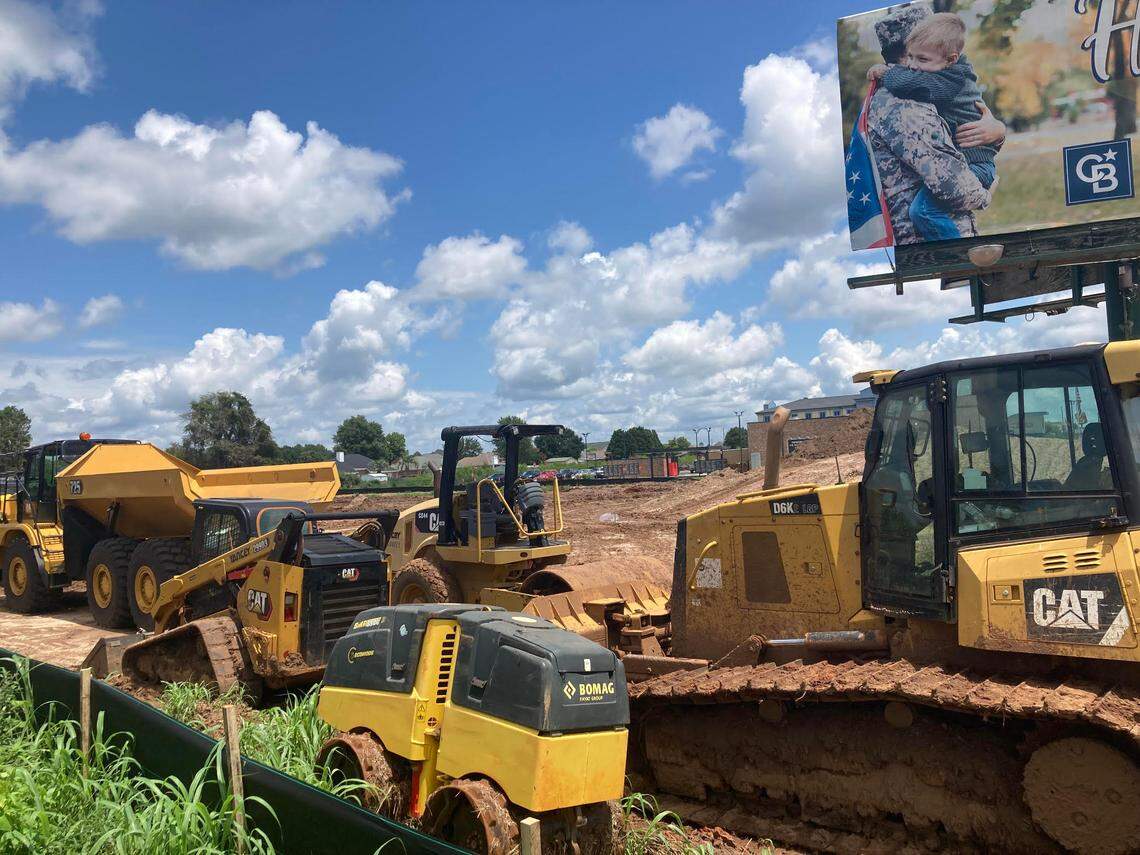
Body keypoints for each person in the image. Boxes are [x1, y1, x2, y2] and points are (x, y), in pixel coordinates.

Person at [864, 6, 1005, 245]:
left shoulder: (941, 79)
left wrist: (998, 131)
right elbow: (951, 183)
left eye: (922, 58)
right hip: (922, 240)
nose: (914, 65)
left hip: (975, 167)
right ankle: (958, 253)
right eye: (913, 57)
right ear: (906, 51)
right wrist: (984, 197)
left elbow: (966, 129)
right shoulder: (904, 102)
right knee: (923, 211)